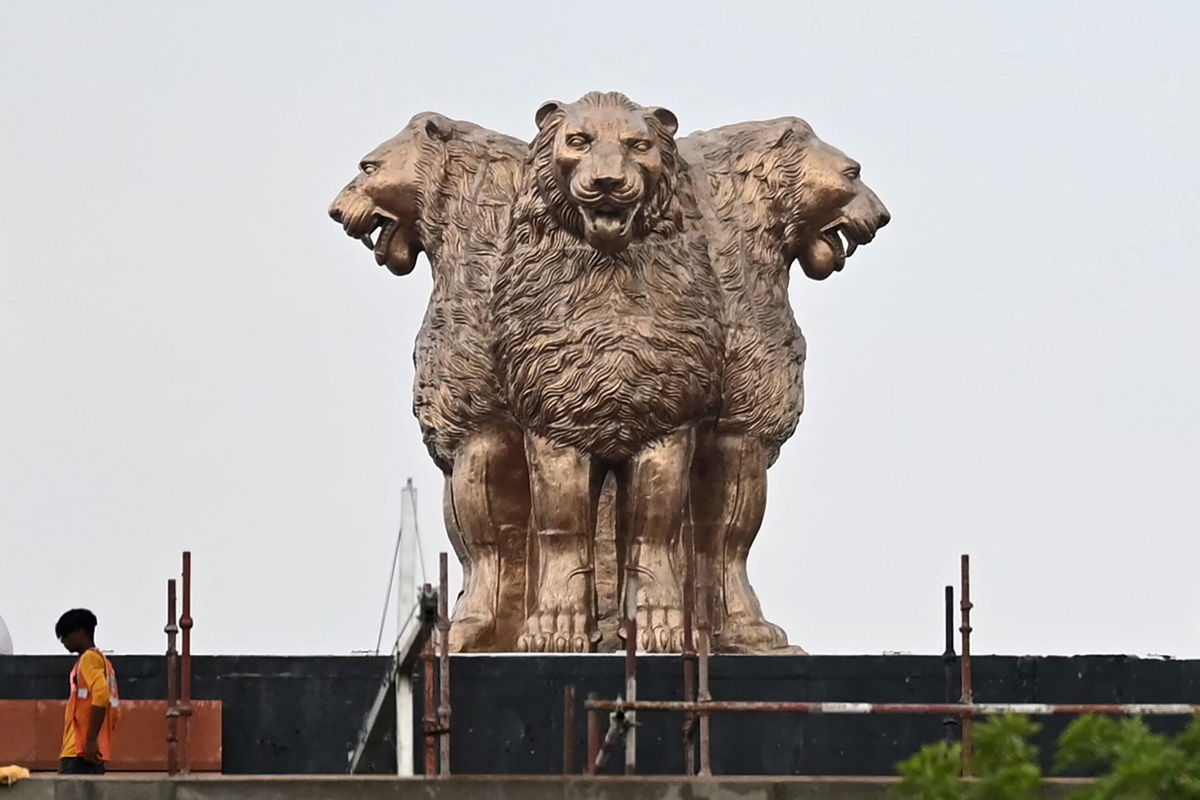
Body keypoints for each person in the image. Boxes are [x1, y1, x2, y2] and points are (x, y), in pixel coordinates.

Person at [55, 609, 119, 775]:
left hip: (79, 752)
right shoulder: (106, 664)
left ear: (79, 632)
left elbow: (102, 696)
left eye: (64, 636)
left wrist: (90, 741)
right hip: (91, 752)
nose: (63, 642)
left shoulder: (88, 659)